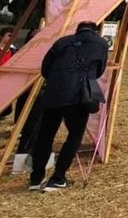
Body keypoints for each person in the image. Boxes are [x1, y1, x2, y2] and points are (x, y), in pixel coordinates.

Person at [29, 21, 107, 192]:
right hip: (78, 95)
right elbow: (100, 69)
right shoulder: (101, 43)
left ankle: (36, 178)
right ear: (96, 30)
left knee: (45, 135)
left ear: (77, 30)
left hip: (53, 93)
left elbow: (45, 68)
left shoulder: (62, 42)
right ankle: (58, 177)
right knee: (74, 135)